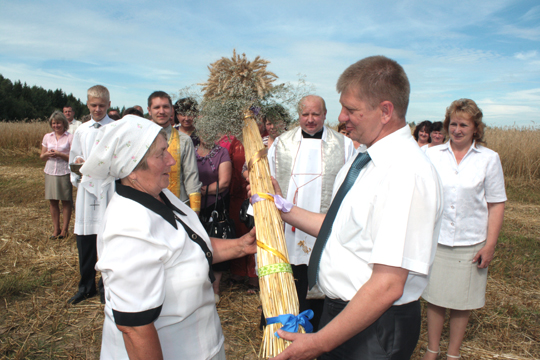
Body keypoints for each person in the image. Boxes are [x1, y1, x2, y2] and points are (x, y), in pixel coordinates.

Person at [271, 56, 443, 360]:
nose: (341, 117)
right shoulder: (362, 158)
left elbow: (388, 284)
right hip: (344, 316)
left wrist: (320, 342)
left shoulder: (405, 173)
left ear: (385, 111)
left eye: (351, 110)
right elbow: (340, 227)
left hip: (374, 327)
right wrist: (282, 208)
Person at [79, 116, 256, 359]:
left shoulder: (163, 195)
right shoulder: (128, 227)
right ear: (132, 169)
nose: (172, 160)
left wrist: (240, 246)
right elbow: (134, 327)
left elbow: (190, 246)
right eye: (161, 154)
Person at [421, 99, 506, 360]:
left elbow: (496, 204)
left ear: (476, 128)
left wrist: (489, 245)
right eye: (453, 124)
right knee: (435, 298)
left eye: (464, 125)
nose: (457, 129)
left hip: (471, 242)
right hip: (437, 239)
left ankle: (453, 354)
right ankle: (432, 350)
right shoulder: (430, 154)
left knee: (462, 302)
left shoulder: (489, 159)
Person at [267, 94, 355, 331]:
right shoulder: (280, 144)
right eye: (305, 114)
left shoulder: (344, 146)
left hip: (323, 227)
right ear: (299, 115)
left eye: (316, 114)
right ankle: (285, 326)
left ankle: (317, 329)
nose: (310, 119)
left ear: (325, 115)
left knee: (320, 277)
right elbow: (268, 183)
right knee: (292, 278)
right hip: (288, 230)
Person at [68, 85, 115, 304]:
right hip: (87, 190)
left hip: (107, 189)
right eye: (93, 105)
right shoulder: (82, 130)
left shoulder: (115, 128)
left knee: (108, 239)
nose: (97, 109)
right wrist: (77, 166)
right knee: (86, 240)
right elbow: (74, 157)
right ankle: (86, 286)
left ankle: (107, 286)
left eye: (102, 106)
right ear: (87, 104)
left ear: (109, 105)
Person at [147, 91, 202, 212]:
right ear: (149, 110)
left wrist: (195, 211)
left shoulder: (184, 140)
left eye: (165, 107)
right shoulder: (140, 138)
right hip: (147, 204)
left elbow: (191, 176)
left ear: (172, 110)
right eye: (157, 107)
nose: (162, 111)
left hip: (179, 205)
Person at [196, 138, 233, 302]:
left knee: (216, 242)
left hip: (215, 206)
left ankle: (215, 288)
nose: (206, 132)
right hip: (192, 206)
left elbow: (224, 183)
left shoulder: (221, 152)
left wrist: (200, 191)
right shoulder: (190, 149)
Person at [40, 111, 73, 239]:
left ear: (64, 123)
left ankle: (65, 230)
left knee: (66, 200)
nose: (56, 125)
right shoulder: (47, 137)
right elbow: (42, 157)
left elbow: (73, 157)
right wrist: (47, 154)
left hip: (64, 171)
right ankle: (56, 229)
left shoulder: (70, 137)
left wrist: (60, 154)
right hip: (50, 171)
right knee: (53, 201)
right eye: (53, 123)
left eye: (58, 123)